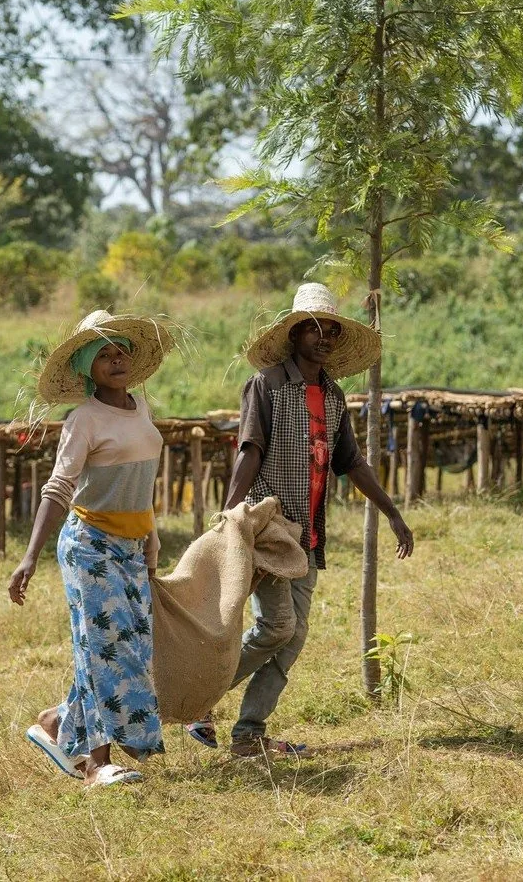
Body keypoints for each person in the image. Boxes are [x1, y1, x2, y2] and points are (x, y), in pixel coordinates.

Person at [185, 283, 413, 757]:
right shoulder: (266, 385)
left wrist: (392, 513)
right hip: (270, 528)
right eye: (313, 328)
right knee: (277, 627)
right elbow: (251, 450)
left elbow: (351, 463)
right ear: (294, 335)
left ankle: (248, 735)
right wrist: (232, 514)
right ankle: (199, 699)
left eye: (331, 328)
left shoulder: (332, 395)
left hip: (307, 535)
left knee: (294, 637)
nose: (323, 336)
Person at [8, 310, 174, 788]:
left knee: (135, 649)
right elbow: (59, 487)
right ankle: (97, 764)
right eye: (103, 353)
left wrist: (151, 537)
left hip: (131, 543)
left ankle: (57, 723)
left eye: (120, 350)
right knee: (103, 647)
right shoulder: (82, 419)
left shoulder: (140, 407)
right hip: (90, 546)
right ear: (86, 367)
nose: (116, 359)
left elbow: (143, 482)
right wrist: (29, 556)